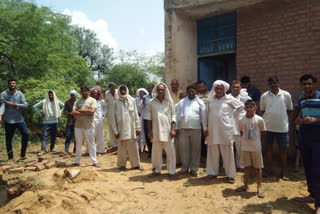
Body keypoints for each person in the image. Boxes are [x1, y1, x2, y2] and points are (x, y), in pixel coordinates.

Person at [203, 80, 244, 183]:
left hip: (226, 130)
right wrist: (205, 128)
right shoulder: (210, 100)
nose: (219, 90)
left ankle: (230, 175)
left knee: (228, 152)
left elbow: (241, 107)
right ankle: (212, 172)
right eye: (217, 88)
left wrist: (232, 116)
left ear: (224, 89)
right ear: (214, 89)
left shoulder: (229, 98)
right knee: (212, 151)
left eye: (221, 89)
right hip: (212, 130)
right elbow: (205, 115)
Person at [294, 74, 320, 213]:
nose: (307, 86)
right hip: (305, 137)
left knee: (317, 170)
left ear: (314, 84)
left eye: (309, 84)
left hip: (318, 137)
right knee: (308, 169)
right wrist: (298, 120)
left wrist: (315, 120)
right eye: (304, 84)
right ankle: (312, 195)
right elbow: (300, 114)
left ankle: (318, 204)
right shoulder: (301, 98)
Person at [260, 76, 293, 180]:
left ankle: (284, 171)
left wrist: (281, 118)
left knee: (283, 150)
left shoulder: (286, 95)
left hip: (282, 128)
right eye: (271, 83)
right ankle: (269, 169)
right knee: (268, 149)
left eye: (275, 82)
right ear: (268, 85)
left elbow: (289, 110)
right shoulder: (264, 96)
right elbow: (263, 111)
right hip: (268, 128)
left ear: (278, 83)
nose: (273, 85)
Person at [147, 83, 177, 180]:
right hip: (156, 131)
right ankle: (156, 170)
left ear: (165, 91)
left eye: (162, 90)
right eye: (159, 90)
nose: (160, 91)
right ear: (156, 90)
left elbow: (174, 116)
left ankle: (171, 172)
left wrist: (173, 129)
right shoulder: (151, 102)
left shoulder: (169, 101)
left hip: (168, 131)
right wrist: (149, 131)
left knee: (170, 152)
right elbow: (148, 118)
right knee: (156, 153)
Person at [237, 100, 266, 198]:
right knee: (247, 167)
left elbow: (263, 133)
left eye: (251, 107)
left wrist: (259, 144)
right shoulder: (241, 120)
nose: (249, 109)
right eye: (247, 107)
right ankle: (245, 185)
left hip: (256, 147)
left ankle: (259, 187)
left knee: (258, 168)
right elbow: (241, 132)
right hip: (245, 147)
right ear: (244, 109)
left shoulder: (259, 119)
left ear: (255, 108)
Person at [112, 85, 144, 171]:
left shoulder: (132, 101)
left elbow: (136, 115)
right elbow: (113, 118)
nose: (123, 92)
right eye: (121, 90)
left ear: (127, 90)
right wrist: (115, 131)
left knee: (133, 147)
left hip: (131, 129)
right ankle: (122, 165)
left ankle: (136, 165)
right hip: (121, 129)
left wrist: (138, 128)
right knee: (122, 147)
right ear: (119, 91)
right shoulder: (116, 102)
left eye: (124, 90)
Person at [176, 85, 205, 177]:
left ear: (195, 92)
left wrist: (205, 128)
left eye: (193, 91)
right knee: (184, 150)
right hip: (183, 129)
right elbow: (177, 116)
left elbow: (204, 117)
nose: (191, 93)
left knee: (196, 150)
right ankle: (184, 168)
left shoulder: (200, 103)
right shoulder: (181, 103)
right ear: (187, 92)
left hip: (196, 129)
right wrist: (176, 128)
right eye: (189, 92)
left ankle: (194, 169)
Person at [0, 79, 29, 161]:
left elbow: (25, 105)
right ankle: (10, 157)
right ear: (8, 85)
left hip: (19, 119)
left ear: (16, 84)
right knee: (8, 139)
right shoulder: (3, 94)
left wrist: (14, 104)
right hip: (8, 120)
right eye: (10, 83)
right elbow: (2, 106)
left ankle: (23, 155)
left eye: (13, 83)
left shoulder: (20, 94)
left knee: (26, 134)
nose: (12, 84)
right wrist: (0, 116)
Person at [71, 86, 98, 167]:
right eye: (82, 91)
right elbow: (73, 112)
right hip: (78, 125)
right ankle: (77, 161)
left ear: (88, 91)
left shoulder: (92, 100)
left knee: (91, 144)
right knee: (78, 143)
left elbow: (92, 111)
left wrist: (79, 110)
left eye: (85, 91)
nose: (83, 92)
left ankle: (95, 162)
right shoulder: (77, 101)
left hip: (89, 125)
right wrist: (86, 112)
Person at [33, 90, 64, 155]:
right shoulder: (44, 101)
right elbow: (34, 107)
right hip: (46, 122)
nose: (51, 96)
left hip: (55, 121)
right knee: (44, 136)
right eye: (50, 95)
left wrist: (59, 113)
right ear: (48, 95)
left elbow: (64, 106)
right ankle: (43, 150)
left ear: (54, 95)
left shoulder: (57, 102)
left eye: (52, 95)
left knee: (53, 136)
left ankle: (52, 148)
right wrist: (40, 114)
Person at [230, 80, 251, 171]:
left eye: (237, 87)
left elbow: (252, 107)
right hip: (229, 126)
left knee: (240, 147)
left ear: (240, 88)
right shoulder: (227, 98)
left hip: (241, 126)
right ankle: (229, 166)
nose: (235, 88)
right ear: (231, 88)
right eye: (234, 87)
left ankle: (241, 165)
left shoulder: (245, 97)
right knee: (229, 148)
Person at [61, 90, 79, 157]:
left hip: (77, 121)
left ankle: (76, 150)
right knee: (68, 136)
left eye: (73, 95)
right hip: (70, 121)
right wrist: (70, 113)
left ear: (75, 95)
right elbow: (64, 111)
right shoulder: (67, 102)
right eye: (71, 95)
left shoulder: (78, 102)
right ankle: (66, 150)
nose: (72, 96)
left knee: (77, 136)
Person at [90, 87, 107, 154]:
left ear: (98, 94)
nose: (95, 94)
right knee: (91, 135)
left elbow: (106, 108)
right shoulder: (90, 101)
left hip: (99, 120)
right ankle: (90, 151)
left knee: (100, 135)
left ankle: (100, 150)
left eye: (96, 93)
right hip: (91, 120)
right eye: (94, 93)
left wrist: (103, 115)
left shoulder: (101, 101)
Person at [140, 84, 154, 157]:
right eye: (148, 88)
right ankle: (150, 151)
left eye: (151, 88)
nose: (150, 89)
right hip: (146, 118)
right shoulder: (145, 97)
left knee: (155, 135)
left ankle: (155, 151)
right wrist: (142, 102)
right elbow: (140, 107)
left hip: (155, 119)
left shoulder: (156, 96)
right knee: (148, 135)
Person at [105, 82, 119, 151]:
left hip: (118, 112)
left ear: (115, 86)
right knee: (111, 128)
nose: (111, 88)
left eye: (112, 86)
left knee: (118, 128)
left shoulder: (118, 92)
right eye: (110, 87)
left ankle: (119, 144)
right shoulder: (107, 93)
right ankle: (114, 145)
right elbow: (107, 102)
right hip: (110, 112)